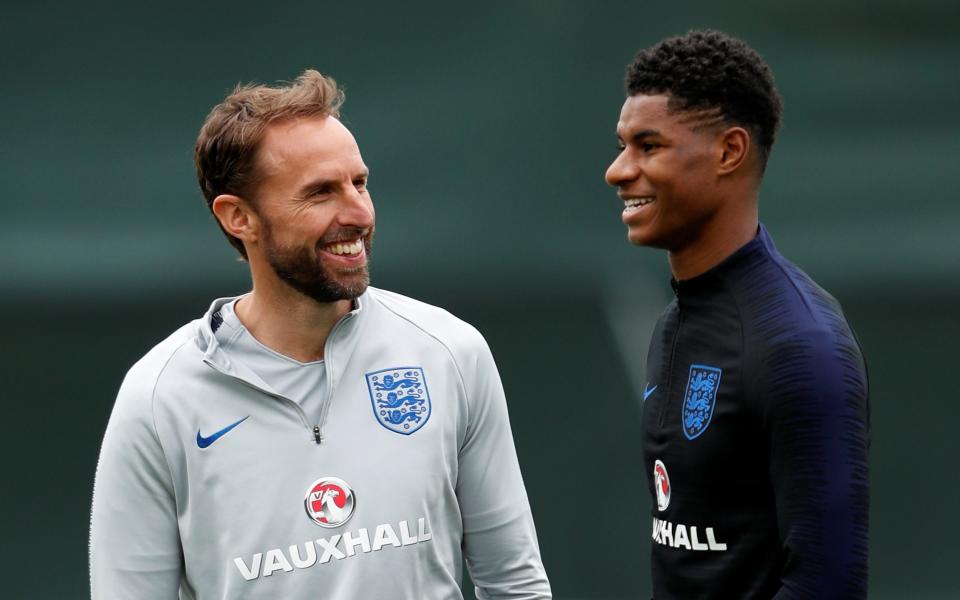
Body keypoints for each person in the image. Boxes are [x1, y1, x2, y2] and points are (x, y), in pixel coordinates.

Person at [90, 70, 551, 600]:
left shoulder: (450, 352)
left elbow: (515, 584)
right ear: (239, 216)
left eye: (360, 182)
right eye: (320, 193)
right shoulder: (157, 397)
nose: (358, 213)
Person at [604, 31, 869, 599]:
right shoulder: (674, 323)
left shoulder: (801, 343)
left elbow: (827, 584)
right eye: (623, 145)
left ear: (729, 151)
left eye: (648, 146)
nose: (618, 171)